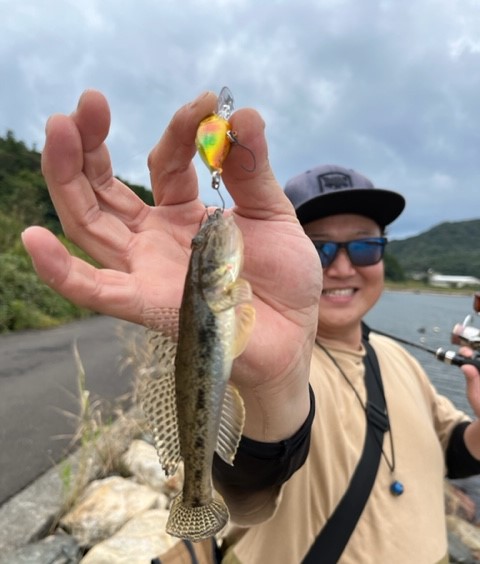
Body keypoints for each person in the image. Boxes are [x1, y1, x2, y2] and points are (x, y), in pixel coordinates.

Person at [21, 90, 480, 563]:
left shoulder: (401, 360)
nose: (342, 267)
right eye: (319, 248)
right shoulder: (276, 369)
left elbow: (451, 449)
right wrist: (274, 389)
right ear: (284, 248)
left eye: (365, 247)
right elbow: (247, 491)